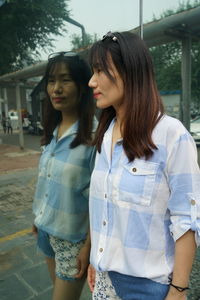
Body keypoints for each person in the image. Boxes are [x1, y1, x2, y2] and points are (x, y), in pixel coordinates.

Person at [87, 31, 200, 300]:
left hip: (148, 287)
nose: (92, 81)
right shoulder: (105, 134)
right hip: (104, 280)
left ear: (131, 71)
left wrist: (179, 289)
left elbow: (187, 219)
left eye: (101, 70)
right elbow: (103, 206)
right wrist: (96, 258)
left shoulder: (172, 135)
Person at [32, 51, 97, 300]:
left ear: (82, 87)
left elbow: (99, 201)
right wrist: (39, 215)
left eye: (65, 80)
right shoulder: (53, 129)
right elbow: (46, 179)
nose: (56, 89)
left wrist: (88, 247)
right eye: (51, 80)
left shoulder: (93, 139)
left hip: (73, 240)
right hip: (46, 231)